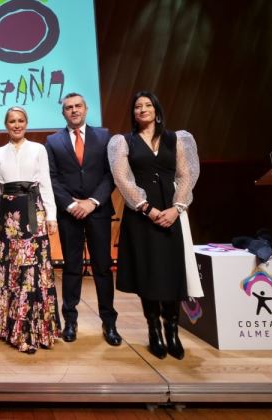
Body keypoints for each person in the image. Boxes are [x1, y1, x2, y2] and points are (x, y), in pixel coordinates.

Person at [107, 91, 200, 360]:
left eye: (147, 105)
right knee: (148, 272)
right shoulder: (123, 142)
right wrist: (147, 208)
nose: (142, 109)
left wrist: (177, 208)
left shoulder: (178, 139)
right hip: (141, 214)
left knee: (172, 273)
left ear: (157, 111)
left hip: (172, 211)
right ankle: (154, 330)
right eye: (137, 106)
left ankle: (173, 330)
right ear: (133, 113)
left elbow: (186, 175)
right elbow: (122, 179)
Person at [45, 93, 122, 346]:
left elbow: (111, 174)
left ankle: (109, 324)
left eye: (78, 106)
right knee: (71, 268)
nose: (74, 110)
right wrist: (69, 203)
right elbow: (52, 178)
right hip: (69, 214)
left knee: (102, 268)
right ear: (63, 113)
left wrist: (93, 202)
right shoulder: (52, 141)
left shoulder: (105, 136)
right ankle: (70, 321)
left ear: (86, 109)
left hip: (98, 211)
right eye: (68, 107)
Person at [0, 106, 61, 354]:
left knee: (34, 275)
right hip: (8, 219)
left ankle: (37, 332)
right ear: (6, 125)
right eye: (12, 121)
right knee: (13, 274)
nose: (16, 125)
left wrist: (51, 216)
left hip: (34, 214)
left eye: (20, 121)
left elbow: (46, 184)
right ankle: (12, 331)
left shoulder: (39, 149)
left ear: (26, 123)